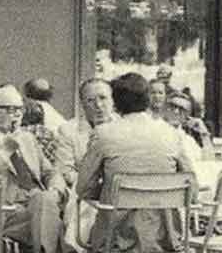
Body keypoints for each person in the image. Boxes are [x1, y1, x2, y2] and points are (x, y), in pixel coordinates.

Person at [77, 73, 195, 253]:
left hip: (115, 238)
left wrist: (113, 191)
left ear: (115, 103)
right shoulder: (172, 134)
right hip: (164, 239)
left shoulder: (103, 134)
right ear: (148, 100)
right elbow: (192, 189)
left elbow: (83, 188)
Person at [0, 84, 66, 253]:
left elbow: (50, 171)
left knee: (46, 201)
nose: (16, 114)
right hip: (3, 209)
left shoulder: (27, 138)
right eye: (10, 109)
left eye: (19, 109)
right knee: (55, 221)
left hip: (35, 203)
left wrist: (55, 189)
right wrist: (6, 151)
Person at [55, 78, 116, 252]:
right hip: (84, 190)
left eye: (103, 98)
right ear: (82, 105)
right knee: (87, 207)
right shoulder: (69, 130)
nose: (98, 105)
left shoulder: (123, 127)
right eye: (90, 100)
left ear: (112, 100)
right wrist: (92, 182)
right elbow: (65, 170)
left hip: (118, 191)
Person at [162, 90, 212, 162]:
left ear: (187, 115)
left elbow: (208, 163)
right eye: (172, 106)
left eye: (182, 109)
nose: (176, 111)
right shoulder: (156, 133)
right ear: (164, 109)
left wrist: (204, 134)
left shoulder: (188, 141)